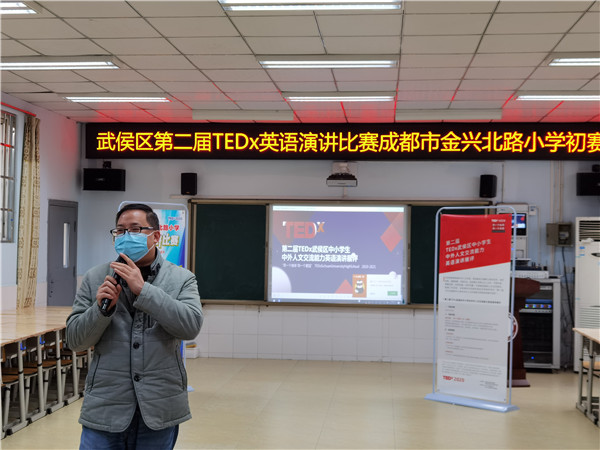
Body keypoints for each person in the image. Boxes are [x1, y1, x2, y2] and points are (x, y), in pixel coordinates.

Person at [66, 203, 203, 450]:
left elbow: (190, 327)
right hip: (106, 406)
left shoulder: (182, 278)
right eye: (120, 230)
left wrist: (144, 291)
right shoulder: (96, 277)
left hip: (159, 406)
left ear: (156, 236)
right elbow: (76, 341)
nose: (126, 236)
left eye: (136, 229)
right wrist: (101, 310)